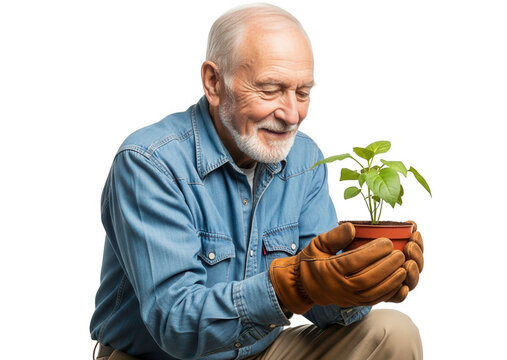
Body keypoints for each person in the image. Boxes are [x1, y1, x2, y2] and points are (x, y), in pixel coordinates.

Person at [90, 4, 424, 360]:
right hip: (160, 357)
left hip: (261, 352)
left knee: (392, 333)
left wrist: (356, 285)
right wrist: (289, 287)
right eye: (270, 89)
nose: (292, 114)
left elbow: (323, 304)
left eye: (302, 92)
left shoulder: (305, 160)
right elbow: (176, 323)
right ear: (214, 82)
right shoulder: (150, 163)